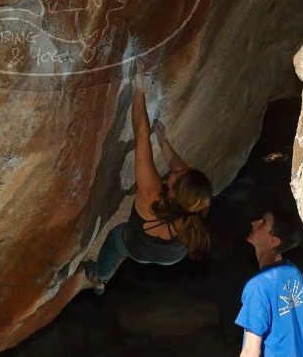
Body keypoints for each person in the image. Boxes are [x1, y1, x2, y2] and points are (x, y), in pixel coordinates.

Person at [82, 58, 213, 294]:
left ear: (172, 191)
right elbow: (183, 174)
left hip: (138, 249)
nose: (179, 168)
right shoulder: (197, 203)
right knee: (136, 242)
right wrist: (163, 142)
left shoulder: (152, 194)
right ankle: (112, 268)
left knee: (115, 238)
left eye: (178, 174)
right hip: (172, 256)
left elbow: (141, 134)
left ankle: (99, 278)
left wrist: (139, 87)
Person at [236, 208, 303, 357]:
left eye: (262, 224)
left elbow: (251, 350)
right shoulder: (294, 273)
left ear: (274, 241)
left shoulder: (258, 286)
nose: (254, 222)